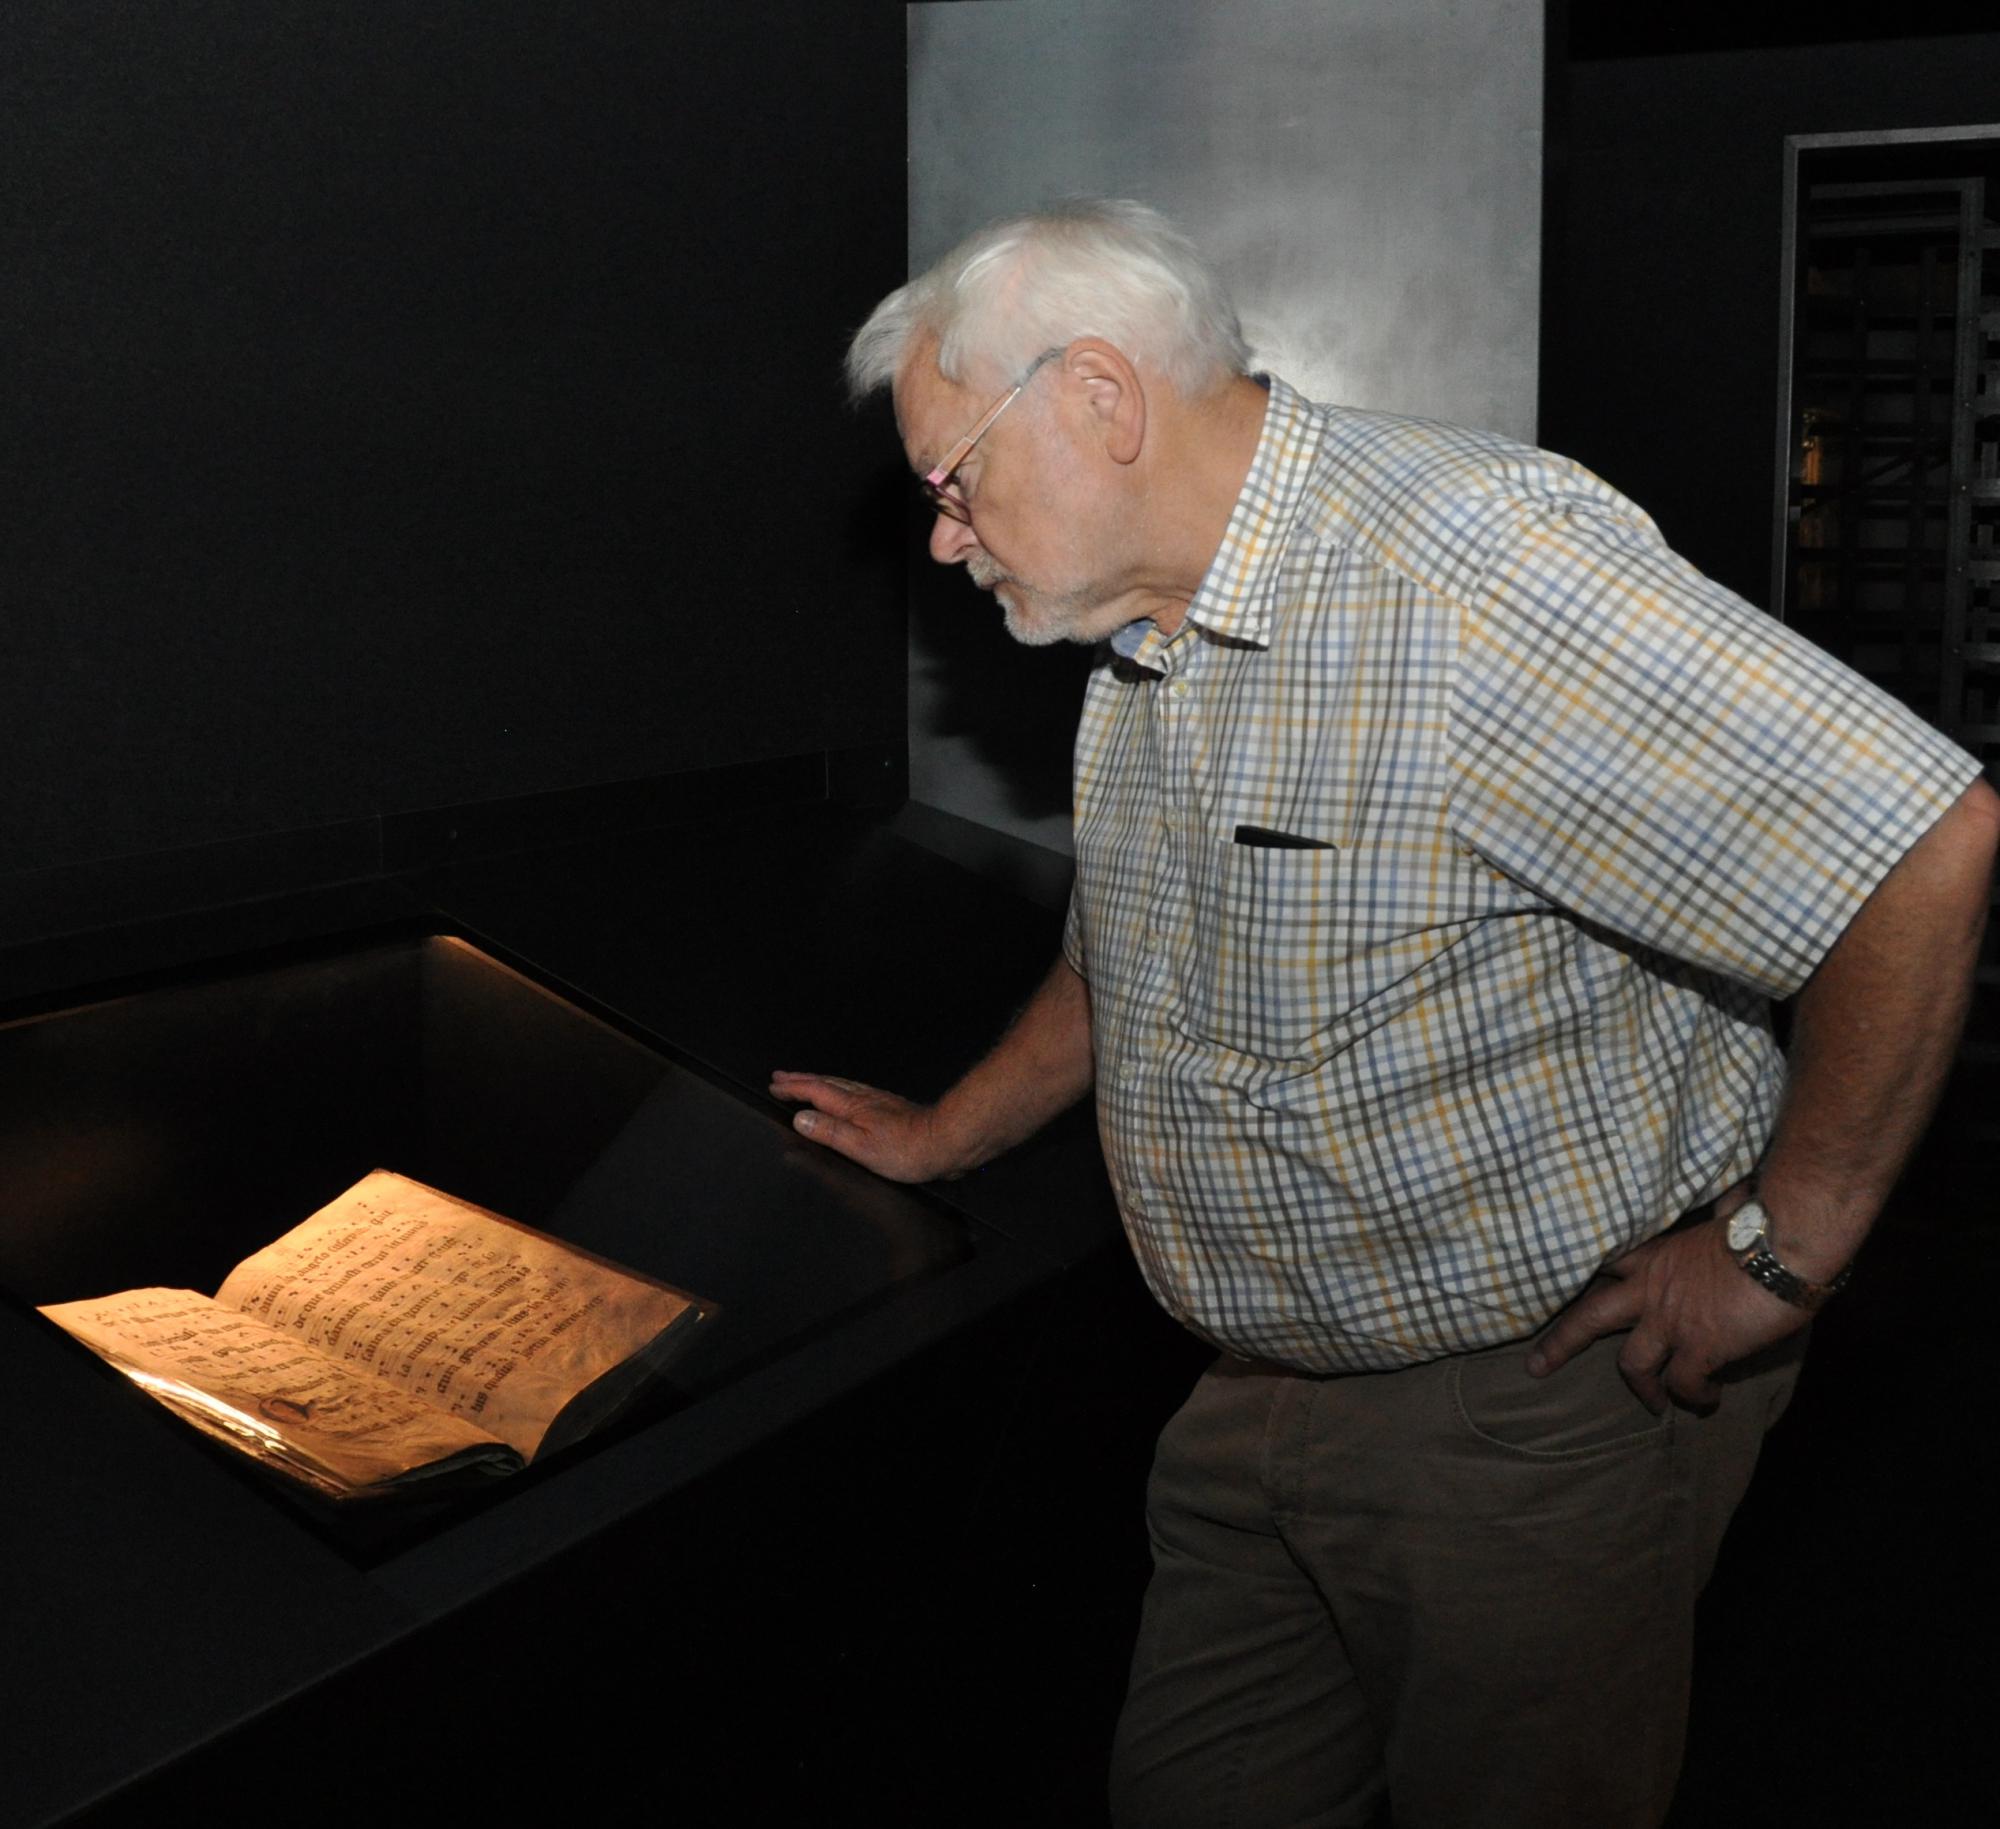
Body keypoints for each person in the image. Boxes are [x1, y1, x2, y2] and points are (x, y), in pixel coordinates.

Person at [771, 200, 1998, 1827]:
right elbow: (1122, 956)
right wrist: (945, 1131)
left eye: (952, 479)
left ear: (1096, 399)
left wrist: (1788, 1248)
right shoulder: (1145, 640)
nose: (944, 535)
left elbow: (1919, 843)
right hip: (1244, 1400)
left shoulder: (1471, 571)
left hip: (1526, 1420)